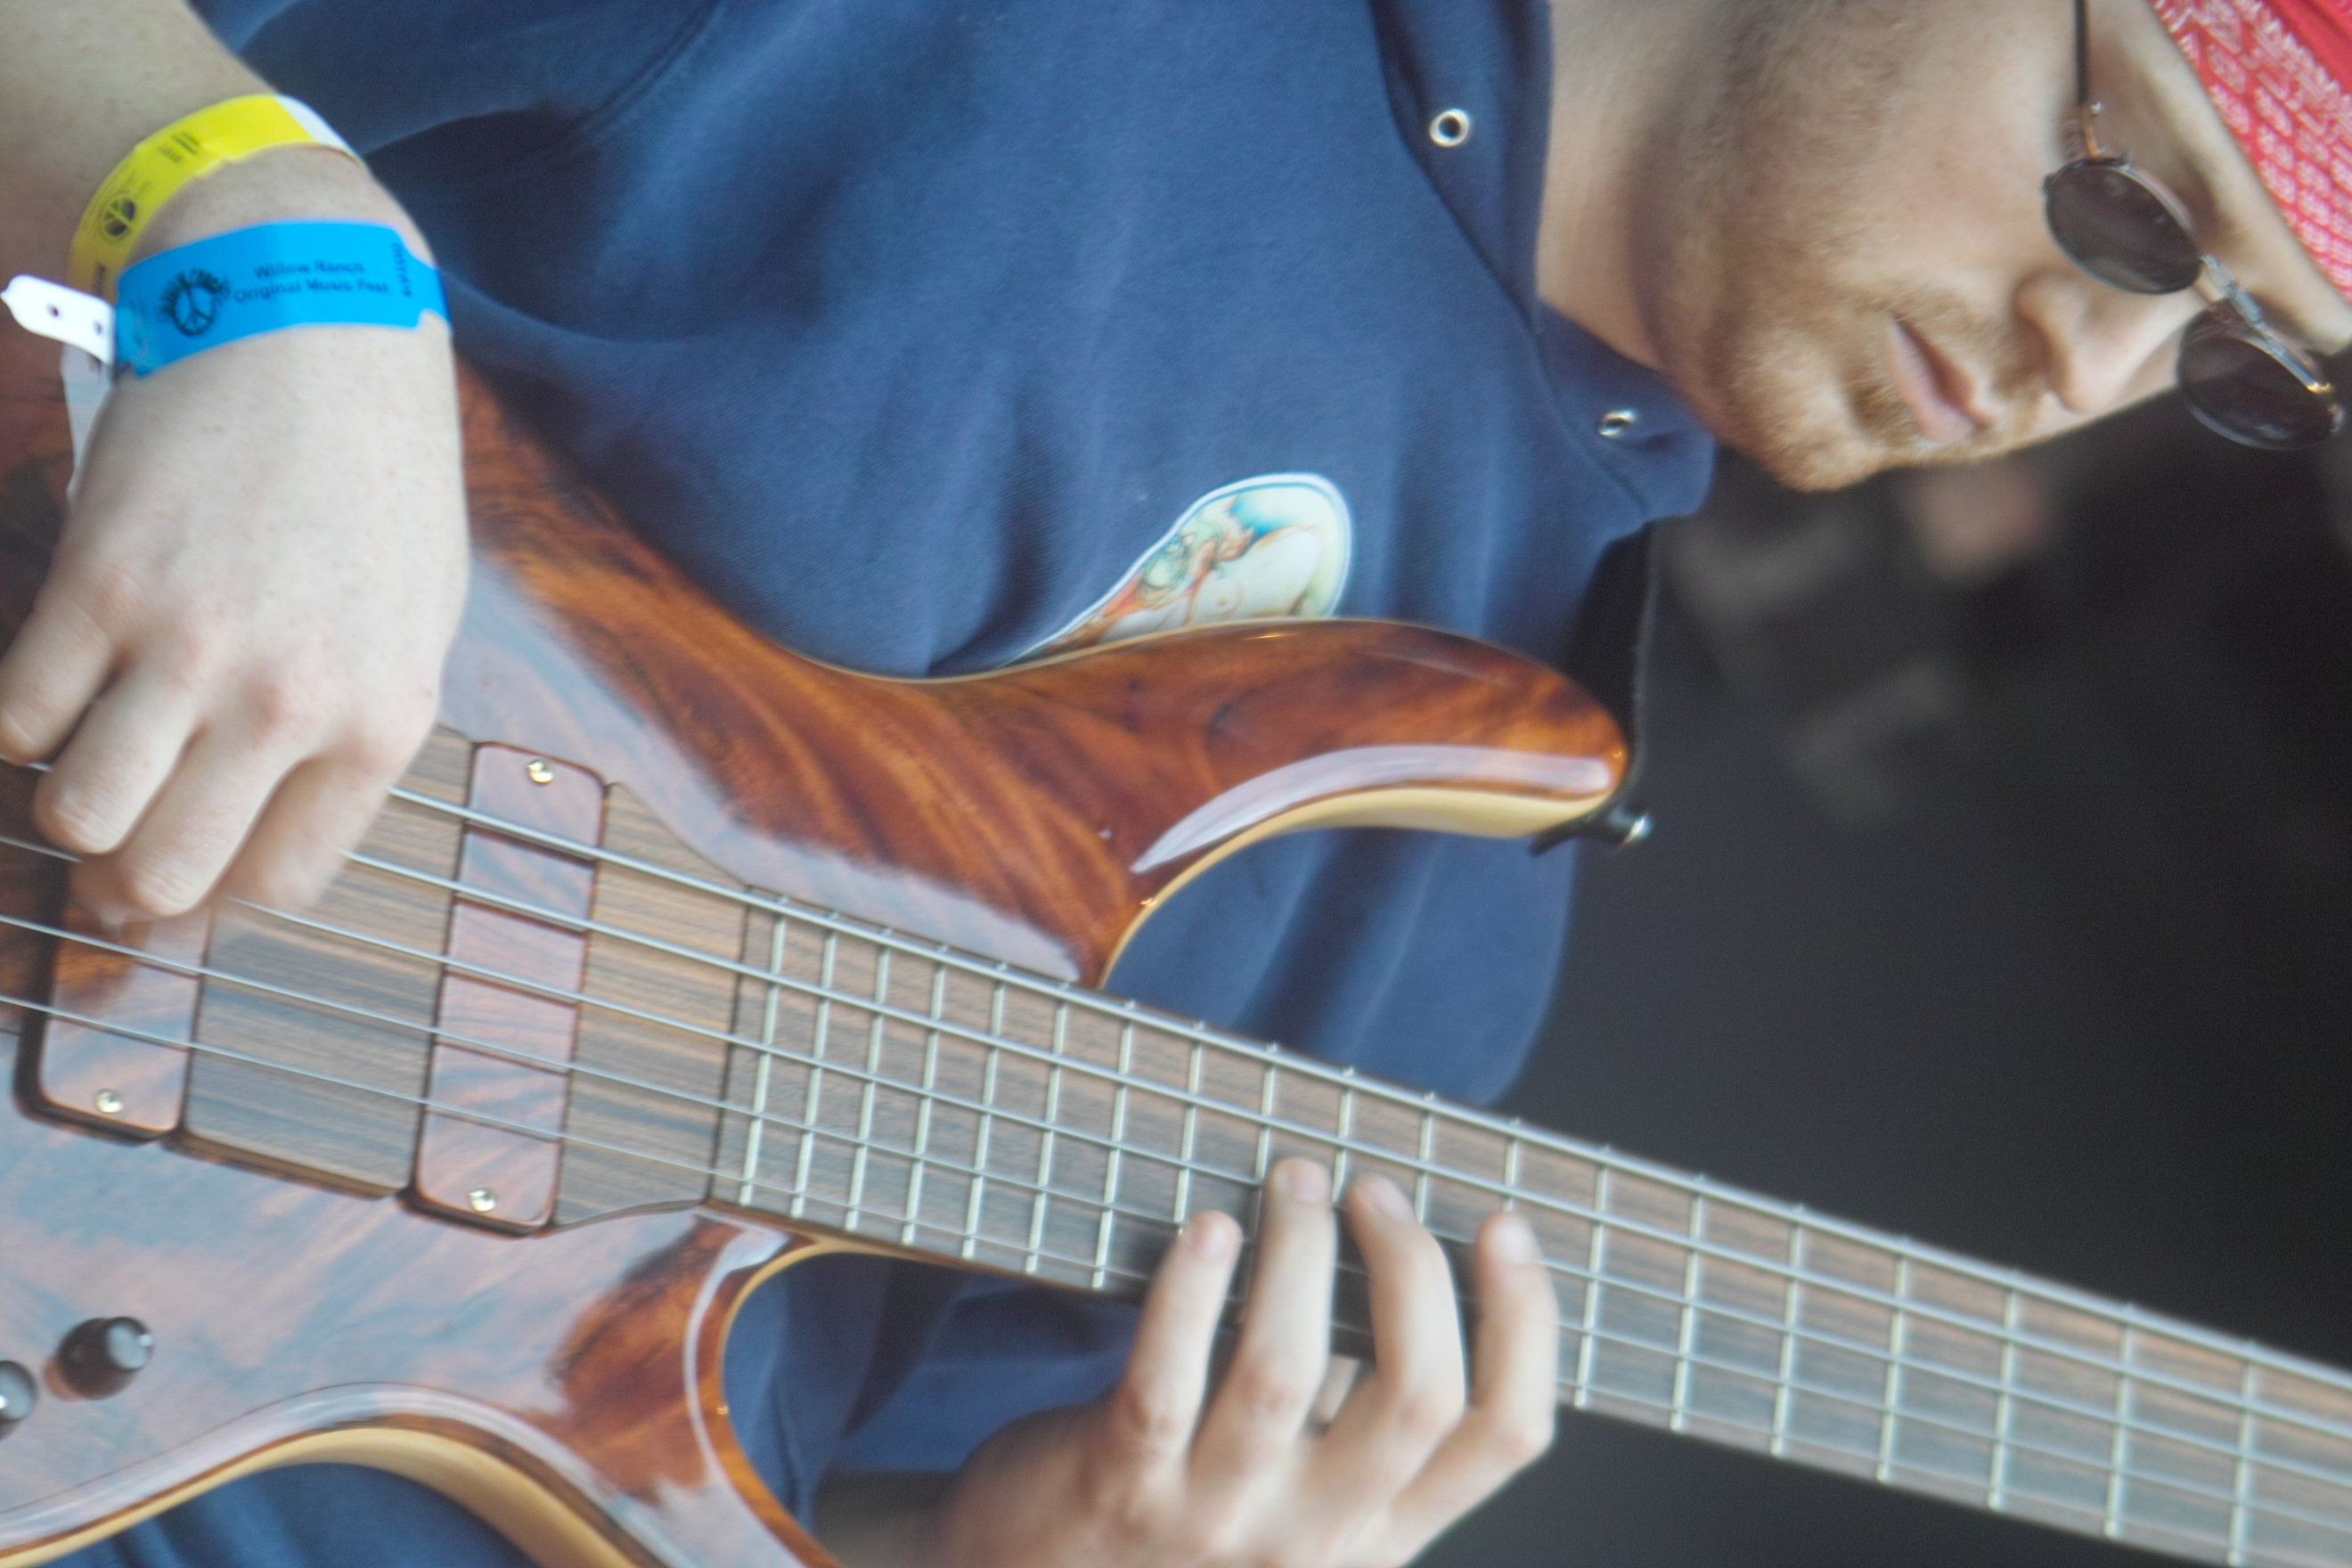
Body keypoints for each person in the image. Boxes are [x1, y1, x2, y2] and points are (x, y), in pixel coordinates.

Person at [4, 0, 2348, 1564]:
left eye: (2236, 351)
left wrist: (1011, 1553)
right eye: (2130, 203)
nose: (2088, 361)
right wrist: (253, 248)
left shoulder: (1454, 872)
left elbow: (747, 1476)